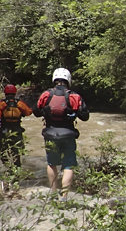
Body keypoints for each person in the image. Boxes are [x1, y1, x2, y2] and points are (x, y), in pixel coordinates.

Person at [36, 68, 89, 196]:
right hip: (68, 134)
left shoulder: (46, 94)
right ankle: (64, 197)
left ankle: (53, 193)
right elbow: (85, 116)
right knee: (68, 166)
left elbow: (36, 112)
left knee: (51, 163)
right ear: (68, 80)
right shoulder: (74, 96)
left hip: (50, 134)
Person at [0, 84, 33, 168]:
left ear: (5, 93)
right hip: (17, 131)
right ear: (15, 92)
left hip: (4, 131)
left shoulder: (1, 104)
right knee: (16, 154)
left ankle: (8, 169)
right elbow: (29, 112)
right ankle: (17, 170)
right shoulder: (20, 103)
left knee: (2, 153)